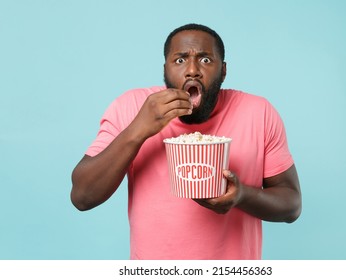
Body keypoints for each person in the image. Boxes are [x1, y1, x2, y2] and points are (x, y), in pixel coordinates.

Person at [71, 23, 302, 260]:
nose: (192, 70)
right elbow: (82, 197)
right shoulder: (130, 107)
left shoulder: (258, 113)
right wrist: (138, 129)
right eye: (180, 60)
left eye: (205, 60)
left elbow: (292, 206)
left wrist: (242, 195)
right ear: (165, 69)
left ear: (223, 71)